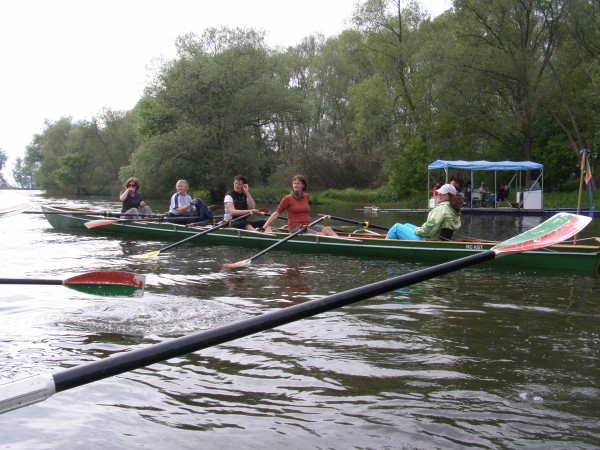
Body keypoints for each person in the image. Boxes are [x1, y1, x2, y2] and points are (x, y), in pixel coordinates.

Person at [258, 174, 338, 236]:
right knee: (319, 234)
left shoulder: (306, 196)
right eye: (294, 183)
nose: (295, 185)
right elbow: (276, 213)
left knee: (328, 229)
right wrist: (264, 227)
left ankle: (341, 240)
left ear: (303, 185)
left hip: (308, 225)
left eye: (298, 183)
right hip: (296, 228)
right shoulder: (287, 198)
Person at [386, 183, 462, 241]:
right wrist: (419, 230)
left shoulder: (441, 209)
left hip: (430, 240)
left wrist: (417, 231)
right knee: (406, 225)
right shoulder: (452, 208)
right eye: (439, 193)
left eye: (442, 193)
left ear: (450, 196)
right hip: (438, 238)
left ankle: (386, 243)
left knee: (396, 227)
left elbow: (430, 228)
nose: (439, 194)